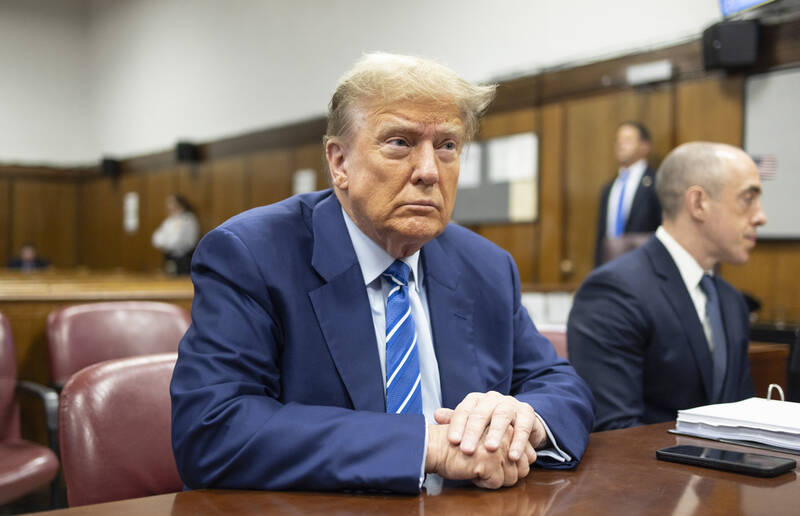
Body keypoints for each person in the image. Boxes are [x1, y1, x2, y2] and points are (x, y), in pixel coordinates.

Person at [170, 53, 594, 494]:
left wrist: (521, 423)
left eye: (447, 145)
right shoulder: (252, 255)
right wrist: (426, 446)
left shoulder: (484, 265)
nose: (429, 171)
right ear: (339, 163)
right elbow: (213, 429)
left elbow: (558, 385)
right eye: (400, 142)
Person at [568, 141, 766, 431]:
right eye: (748, 199)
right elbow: (617, 433)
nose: (761, 216)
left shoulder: (731, 301)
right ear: (698, 203)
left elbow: (741, 416)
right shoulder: (613, 293)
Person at [594, 122, 661, 266]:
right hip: (610, 267)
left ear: (644, 146)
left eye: (628, 140)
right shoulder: (609, 188)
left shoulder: (656, 183)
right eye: (618, 140)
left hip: (644, 266)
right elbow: (601, 237)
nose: (620, 145)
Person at [151, 194, 199, 275]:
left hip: (183, 258)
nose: (168, 206)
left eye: (170, 203)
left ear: (179, 204)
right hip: (169, 256)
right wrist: (166, 242)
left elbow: (177, 241)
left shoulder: (188, 220)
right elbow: (156, 239)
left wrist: (166, 242)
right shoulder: (169, 221)